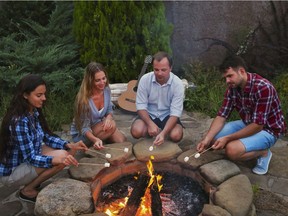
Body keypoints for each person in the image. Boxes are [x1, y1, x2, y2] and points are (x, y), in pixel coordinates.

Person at [0, 74, 88, 203]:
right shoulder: (19, 121)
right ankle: (27, 191)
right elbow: (31, 157)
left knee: (66, 152)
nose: (44, 98)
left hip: (25, 159)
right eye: (39, 95)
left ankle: (33, 182)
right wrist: (54, 159)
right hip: (12, 173)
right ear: (25, 95)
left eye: (44, 94)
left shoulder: (32, 112)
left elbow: (46, 136)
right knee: (61, 159)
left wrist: (68, 144)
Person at [196, 55, 286, 175]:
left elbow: (258, 126)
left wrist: (228, 138)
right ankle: (243, 142)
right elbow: (221, 116)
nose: (227, 81)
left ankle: (263, 152)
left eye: (230, 76)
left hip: (269, 130)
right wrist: (206, 140)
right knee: (211, 139)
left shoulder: (263, 88)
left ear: (241, 71)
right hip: (248, 123)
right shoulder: (232, 89)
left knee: (232, 150)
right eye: (225, 78)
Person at [130, 51, 185, 146]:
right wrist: (150, 124)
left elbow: (175, 113)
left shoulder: (177, 84)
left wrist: (163, 133)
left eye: (163, 70)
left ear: (170, 68)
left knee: (176, 135)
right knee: (136, 131)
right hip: (149, 114)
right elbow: (141, 106)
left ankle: (162, 134)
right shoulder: (144, 79)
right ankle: (152, 131)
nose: (159, 73)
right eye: (156, 69)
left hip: (168, 115)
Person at [70, 62, 126, 149]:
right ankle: (93, 144)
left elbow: (109, 109)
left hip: (98, 125)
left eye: (104, 78)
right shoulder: (83, 100)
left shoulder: (106, 90)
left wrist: (108, 118)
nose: (102, 82)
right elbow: (84, 128)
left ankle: (103, 138)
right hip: (83, 134)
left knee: (121, 141)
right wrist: (95, 139)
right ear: (90, 81)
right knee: (113, 126)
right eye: (97, 80)